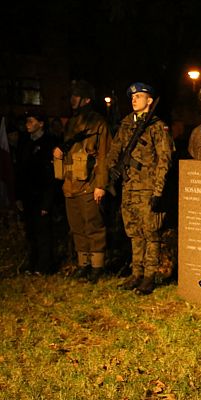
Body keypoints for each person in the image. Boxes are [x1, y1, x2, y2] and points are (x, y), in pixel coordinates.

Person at [109, 82, 174, 295]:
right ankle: (136, 273)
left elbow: (164, 160)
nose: (134, 99)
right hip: (129, 187)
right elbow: (114, 152)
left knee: (151, 234)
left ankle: (149, 276)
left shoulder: (157, 126)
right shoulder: (126, 124)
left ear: (149, 100)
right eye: (132, 96)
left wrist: (158, 191)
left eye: (139, 96)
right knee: (134, 233)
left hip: (148, 189)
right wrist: (112, 172)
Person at [53, 80, 111, 283]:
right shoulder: (70, 123)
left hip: (89, 184)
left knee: (93, 227)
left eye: (76, 96)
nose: (72, 99)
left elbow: (104, 156)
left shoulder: (98, 123)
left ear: (86, 99)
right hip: (70, 185)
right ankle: (83, 264)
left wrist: (101, 185)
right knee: (77, 227)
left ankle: (97, 267)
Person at [14, 111, 58, 274]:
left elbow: (51, 175)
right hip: (28, 196)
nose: (28, 124)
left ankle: (44, 266)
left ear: (41, 123)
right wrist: (18, 196)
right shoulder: (25, 143)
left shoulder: (49, 143)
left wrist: (47, 201)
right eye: (27, 121)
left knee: (43, 233)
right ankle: (32, 263)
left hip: (41, 196)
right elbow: (20, 171)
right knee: (31, 232)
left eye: (31, 121)